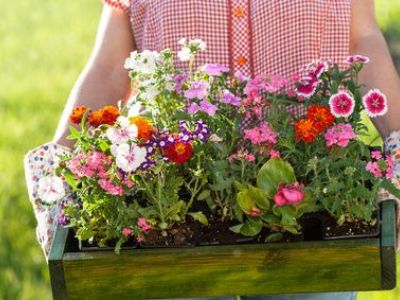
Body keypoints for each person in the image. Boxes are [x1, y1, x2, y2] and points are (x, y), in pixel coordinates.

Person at [24, 1, 400, 299]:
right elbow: (110, 68)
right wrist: (58, 162)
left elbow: (362, 38)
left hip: (307, 200)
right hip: (171, 207)